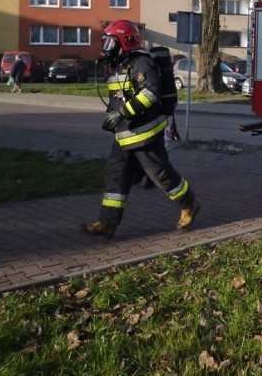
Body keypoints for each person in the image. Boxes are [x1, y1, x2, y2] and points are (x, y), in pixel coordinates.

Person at [83, 20, 199, 239]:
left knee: (161, 175)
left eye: (110, 41)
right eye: (105, 41)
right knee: (115, 177)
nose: (106, 46)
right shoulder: (118, 63)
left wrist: (121, 113)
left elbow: (150, 93)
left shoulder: (141, 62)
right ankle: (108, 222)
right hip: (124, 134)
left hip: (145, 133)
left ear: (124, 41)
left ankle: (189, 204)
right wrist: (115, 115)